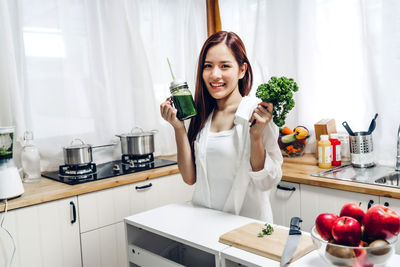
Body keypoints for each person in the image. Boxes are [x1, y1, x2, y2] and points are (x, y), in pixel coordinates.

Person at [160, 31, 282, 222]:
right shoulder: (202, 115)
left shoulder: (258, 113)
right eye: (208, 66)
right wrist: (178, 128)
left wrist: (256, 136)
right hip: (206, 225)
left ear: (242, 70)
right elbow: (190, 178)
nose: (215, 75)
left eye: (225, 66)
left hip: (248, 228)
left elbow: (267, 182)